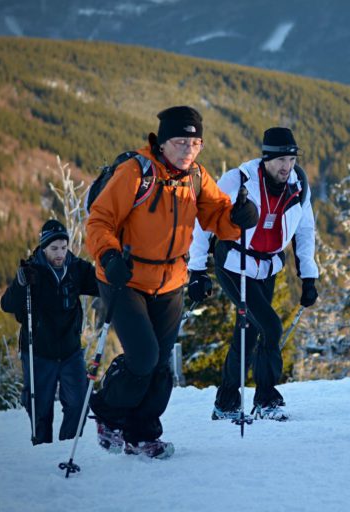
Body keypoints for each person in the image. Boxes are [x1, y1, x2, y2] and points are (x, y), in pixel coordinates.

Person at [85, 105, 258, 459]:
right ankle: (108, 412)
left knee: (161, 364)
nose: (187, 150)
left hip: (170, 280)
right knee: (144, 356)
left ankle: (142, 432)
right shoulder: (136, 173)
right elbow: (99, 220)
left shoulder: (196, 177)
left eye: (195, 143)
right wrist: (109, 256)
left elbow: (218, 218)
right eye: (180, 142)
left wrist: (240, 217)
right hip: (125, 277)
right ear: (162, 143)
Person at [188, 127, 319, 422]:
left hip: (268, 266)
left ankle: (226, 402)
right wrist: (196, 269)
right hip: (234, 262)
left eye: (291, 159)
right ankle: (267, 398)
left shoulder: (299, 186)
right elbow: (204, 220)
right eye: (280, 160)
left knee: (246, 334)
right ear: (266, 159)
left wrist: (308, 276)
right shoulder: (239, 181)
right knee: (271, 327)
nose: (287, 166)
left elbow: (305, 230)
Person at [0, 219, 99, 445]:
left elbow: (101, 284)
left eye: (63, 247)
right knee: (39, 408)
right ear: (44, 247)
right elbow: (7, 304)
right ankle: (42, 451)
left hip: (70, 350)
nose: (60, 253)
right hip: (38, 352)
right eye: (54, 248)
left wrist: (117, 272)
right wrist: (20, 282)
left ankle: (67, 448)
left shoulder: (76, 268)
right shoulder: (32, 271)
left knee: (79, 403)